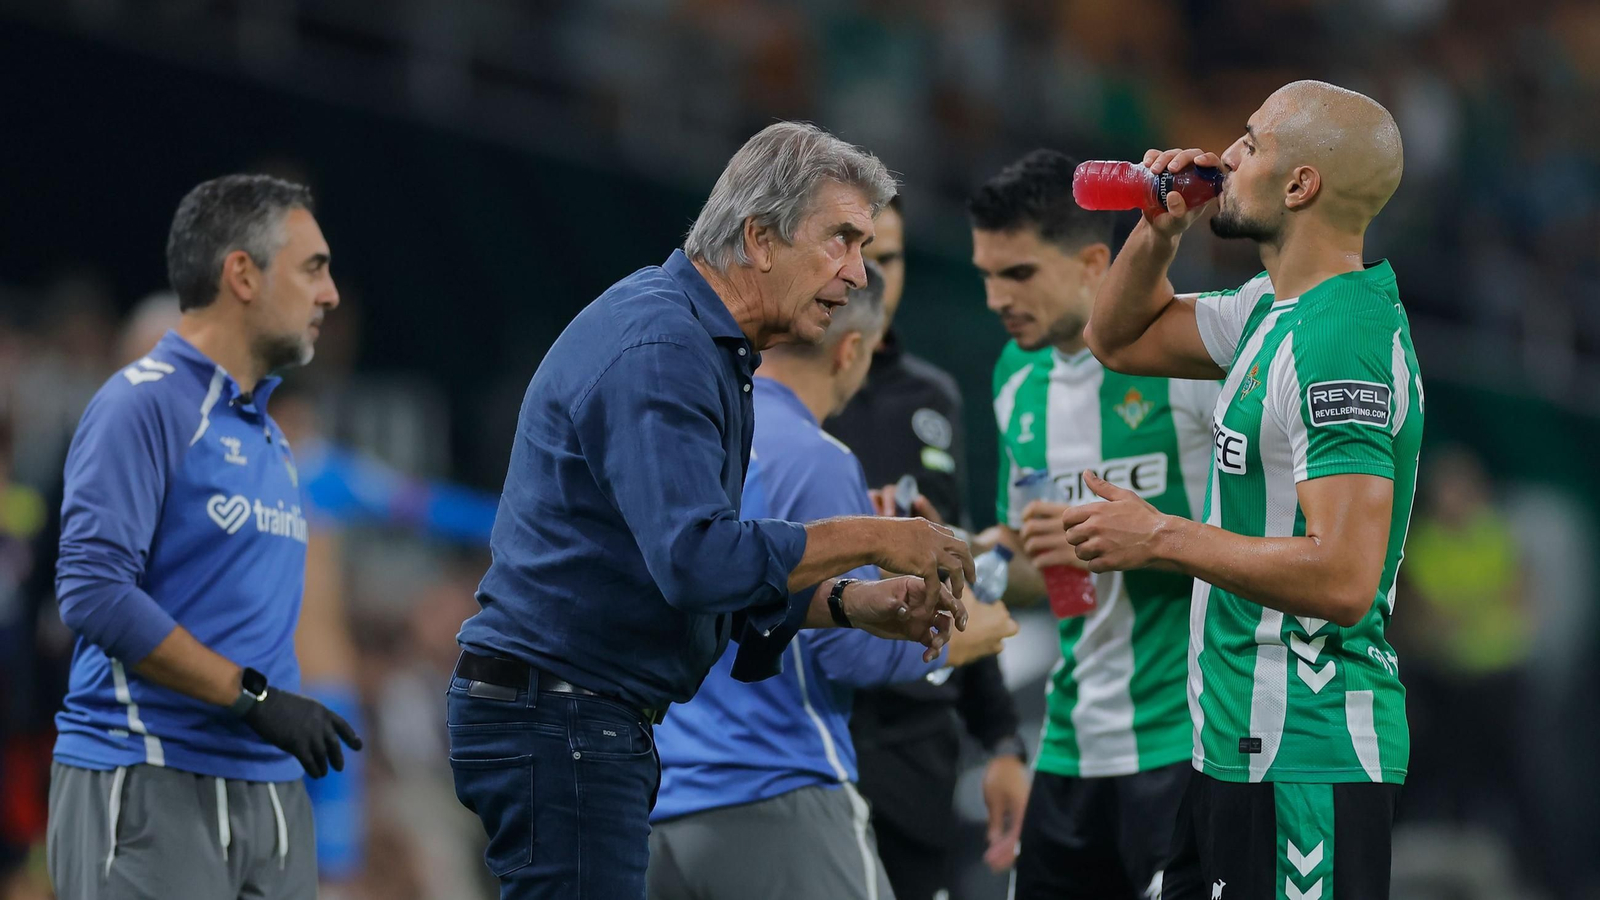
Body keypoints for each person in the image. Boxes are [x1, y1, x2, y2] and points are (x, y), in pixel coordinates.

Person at [449, 121, 976, 899]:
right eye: (840, 240)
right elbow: (697, 561)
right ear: (760, 239)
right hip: (560, 717)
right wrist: (878, 536)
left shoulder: (699, 343)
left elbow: (689, 578)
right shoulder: (663, 347)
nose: (859, 275)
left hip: (572, 715)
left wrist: (849, 603)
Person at [1072, 80, 1421, 899]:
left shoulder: (1340, 343)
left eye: (1252, 143)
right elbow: (1117, 337)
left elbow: (1343, 577)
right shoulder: (1275, 310)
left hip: (1306, 753)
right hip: (1235, 742)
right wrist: (1161, 234)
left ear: (1301, 186)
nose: (1225, 155)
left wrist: (1160, 537)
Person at [647, 261, 1018, 900]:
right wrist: (964, 637)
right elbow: (845, 650)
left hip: (661, 796)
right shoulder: (818, 458)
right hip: (777, 790)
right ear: (853, 351)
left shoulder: (699, 431)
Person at [47, 174, 361, 899]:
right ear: (241, 273)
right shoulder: (143, 402)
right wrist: (255, 697)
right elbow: (92, 592)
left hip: (271, 792)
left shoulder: (270, 439)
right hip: (147, 775)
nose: (330, 294)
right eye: (313, 268)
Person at [965, 150, 1219, 899]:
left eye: (1016, 274)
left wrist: (1145, 542)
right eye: (985, 274)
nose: (994, 299)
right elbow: (1037, 566)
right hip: (1071, 747)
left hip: (1190, 742)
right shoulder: (1017, 377)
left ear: (1091, 263)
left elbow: (1275, 545)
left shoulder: (1197, 358)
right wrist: (962, 559)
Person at [825, 195, 1030, 900]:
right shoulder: (780, 393)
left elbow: (962, 571)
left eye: (890, 258)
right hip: (817, 734)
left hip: (918, 747)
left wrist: (1001, 740)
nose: (875, 276)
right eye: (860, 256)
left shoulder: (933, 396)